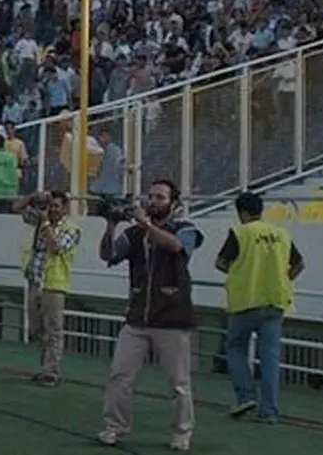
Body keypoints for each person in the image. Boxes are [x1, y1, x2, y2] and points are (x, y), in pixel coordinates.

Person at [97, 179, 203, 451]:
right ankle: (115, 426)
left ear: (173, 203)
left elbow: (177, 247)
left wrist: (145, 224)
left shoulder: (186, 228)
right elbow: (108, 254)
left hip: (172, 317)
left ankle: (182, 432)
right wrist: (110, 224)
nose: (152, 201)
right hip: (137, 317)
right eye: (150, 196)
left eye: (159, 197)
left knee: (178, 383)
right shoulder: (133, 234)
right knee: (120, 375)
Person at [215, 191, 306, 423]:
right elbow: (299, 264)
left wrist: (239, 274)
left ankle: (246, 396)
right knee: (270, 358)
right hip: (276, 301)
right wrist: (284, 279)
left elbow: (221, 262)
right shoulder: (280, 233)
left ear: (241, 213)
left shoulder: (240, 232)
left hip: (246, 301)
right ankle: (270, 411)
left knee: (235, 348)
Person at [14, 191, 81, 386]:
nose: (52, 209)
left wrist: (44, 224)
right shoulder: (40, 221)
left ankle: (51, 371)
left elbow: (57, 247)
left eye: (56, 206)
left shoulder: (71, 229)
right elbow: (16, 208)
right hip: (36, 280)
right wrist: (33, 197)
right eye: (50, 205)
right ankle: (45, 366)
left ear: (65, 209)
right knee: (36, 327)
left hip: (54, 283)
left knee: (54, 329)